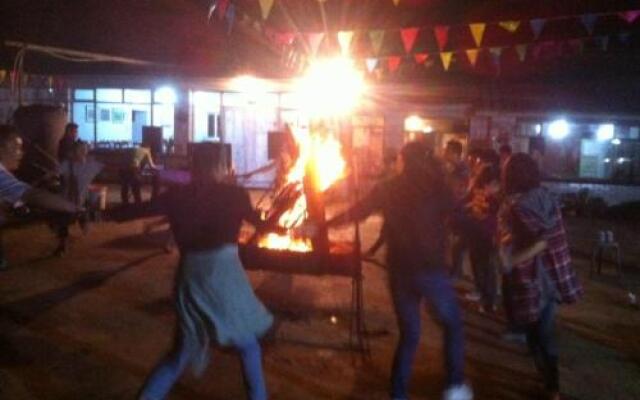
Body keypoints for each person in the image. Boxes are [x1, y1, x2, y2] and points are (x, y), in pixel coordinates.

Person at [325, 141, 472, 400]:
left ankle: (398, 395)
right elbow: (460, 219)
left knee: (409, 336)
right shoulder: (438, 187)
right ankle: (455, 387)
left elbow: (357, 212)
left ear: (405, 160)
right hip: (430, 271)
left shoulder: (389, 188)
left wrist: (324, 225)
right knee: (453, 326)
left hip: (400, 272)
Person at [136, 150, 274, 400]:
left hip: (190, 277)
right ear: (220, 168)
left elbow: (137, 210)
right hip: (223, 276)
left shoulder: (177, 196)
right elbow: (262, 224)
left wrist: (96, 214)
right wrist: (279, 222)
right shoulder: (235, 195)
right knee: (247, 344)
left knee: (181, 352)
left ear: (194, 169)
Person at [498, 153, 582, 400]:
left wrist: (511, 258)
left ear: (511, 176)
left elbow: (541, 241)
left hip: (534, 279)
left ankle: (552, 388)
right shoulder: (547, 198)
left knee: (539, 334)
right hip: (555, 275)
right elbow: (547, 236)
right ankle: (549, 383)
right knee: (541, 331)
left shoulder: (519, 206)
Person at [0, 125, 82, 269]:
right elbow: (32, 194)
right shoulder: (65, 144)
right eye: (17, 147)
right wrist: (71, 206)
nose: (21, 153)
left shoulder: (73, 144)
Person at [457, 164, 501, 312]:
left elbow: (498, 216)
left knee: (488, 268)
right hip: (475, 234)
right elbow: (464, 203)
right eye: (490, 184)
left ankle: (491, 299)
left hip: (489, 237)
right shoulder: (477, 191)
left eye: (496, 184)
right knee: (477, 266)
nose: (493, 187)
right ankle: (483, 295)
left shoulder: (498, 199)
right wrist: (467, 206)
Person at [54, 140, 103, 255]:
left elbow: (103, 167)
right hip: (67, 200)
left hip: (82, 199)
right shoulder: (67, 164)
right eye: (80, 149)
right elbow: (55, 174)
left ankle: (83, 219)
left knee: (84, 218)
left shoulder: (91, 164)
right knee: (62, 223)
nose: (83, 151)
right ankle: (63, 245)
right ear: (73, 151)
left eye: (85, 149)